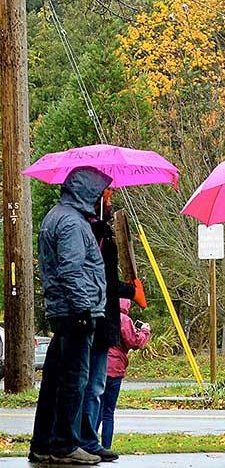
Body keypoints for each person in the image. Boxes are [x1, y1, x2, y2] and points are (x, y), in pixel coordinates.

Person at [31, 167, 112, 466]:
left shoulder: (61, 217)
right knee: (74, 380)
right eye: (103, 192)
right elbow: (72, 269)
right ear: (88, 192)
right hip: (74, 312)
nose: (105, 198)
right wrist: (82, 309)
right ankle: (64, 444)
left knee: (55, 379)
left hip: (62, 311)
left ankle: (43, 442)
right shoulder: (71, 223)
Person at [78, 193, 135, 463]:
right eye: (107, 194)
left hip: (102, 318)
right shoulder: (92, 233)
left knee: (94, 386)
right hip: (96, 318)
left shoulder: (103, 232)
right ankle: (85, 439)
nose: (111, 199)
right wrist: (131, 290)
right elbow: (106, 281)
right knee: (90, 385)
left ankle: (88, 439)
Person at [100, 298, 150, 451]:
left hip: (99, 367)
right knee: (108, 412)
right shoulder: (124, 320)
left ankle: (89, 444)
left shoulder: (102, 315)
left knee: (95, 408)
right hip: (115, 369)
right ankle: (106, 447)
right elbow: (134, 342)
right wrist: (145, 331)